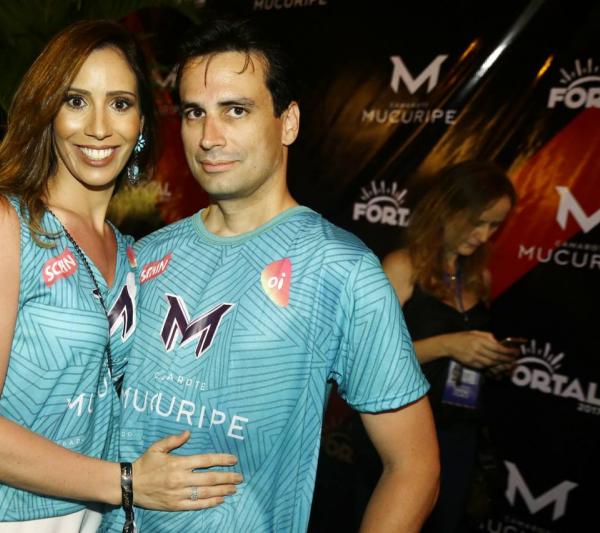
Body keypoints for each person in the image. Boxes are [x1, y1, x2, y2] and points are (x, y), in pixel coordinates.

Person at [99, 19, 440, 533]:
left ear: (288, 123)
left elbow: (415, 468)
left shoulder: (342, 270)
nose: (209, 137)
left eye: (235, 110)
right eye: (194, 113)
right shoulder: (146, 254)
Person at [0, 20, 241, 532]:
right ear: (48, 113)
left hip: (88, 515)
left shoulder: (130, 254)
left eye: (120, 103)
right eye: (76, 101)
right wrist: (126, 482)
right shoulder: (0, 222)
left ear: (142, 122)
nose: (99, 127)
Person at [356, 161, 518, 532]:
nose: (483, 235)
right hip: (399, 434)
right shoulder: (402, 266)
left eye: (494, 226)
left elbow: (465, 354)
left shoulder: (478, 276)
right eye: (477, 222)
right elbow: (366, 357)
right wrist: (447, 345)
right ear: (446, 208)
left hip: (458, 433)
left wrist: (490, 360)